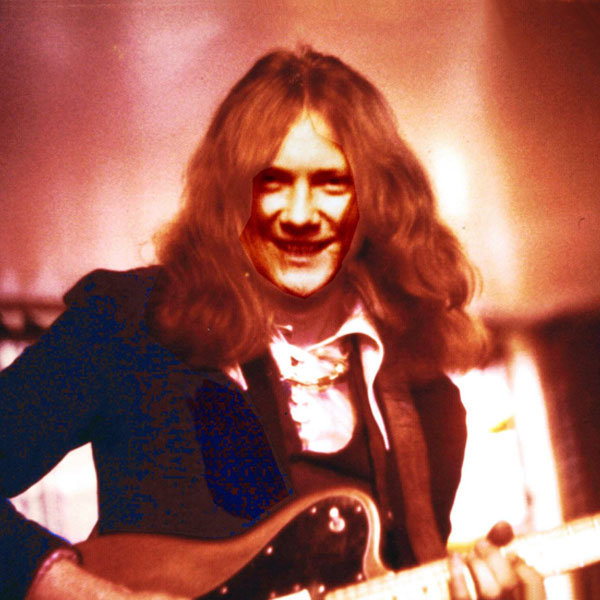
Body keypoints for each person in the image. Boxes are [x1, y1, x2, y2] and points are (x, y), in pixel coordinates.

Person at [0, 48, 544, 600]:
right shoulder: (126, 323)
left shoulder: (431, 406)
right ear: (231, 194)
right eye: (273, 182)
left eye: (332, 184)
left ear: (375, 198)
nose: (301, 215)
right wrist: (73, 589)